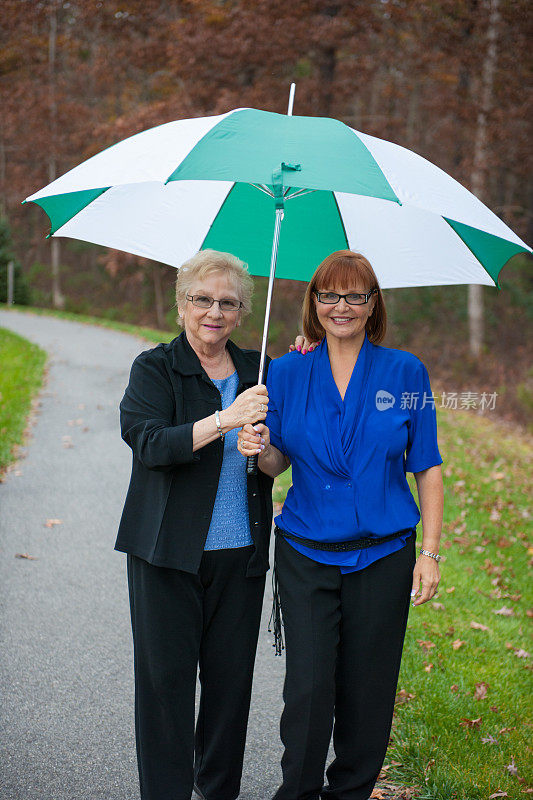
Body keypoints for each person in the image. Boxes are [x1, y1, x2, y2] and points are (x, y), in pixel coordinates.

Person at [238, 250, 444, 800]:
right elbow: (275, 463)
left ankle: (350, 791)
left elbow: (425, 465)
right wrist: (256, 445)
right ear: (314, 303)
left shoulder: (405, 372)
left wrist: (430, 552)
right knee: (307, 688)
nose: (341, 307)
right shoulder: (284, 371)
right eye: (329, 295)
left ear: (373, 304)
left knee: (368, 689)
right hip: (306, 551)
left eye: (356, 295)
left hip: (385, 553)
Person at [115, 249, 273, 800]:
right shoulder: (155, 368)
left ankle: (218, 790)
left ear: (242, 312)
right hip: (166, 554)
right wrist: (225, 420)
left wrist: (264, 444)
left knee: (231, 691)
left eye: (228, 302)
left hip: (242, 555)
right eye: (202, 299)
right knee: (166, 689)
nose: (214, 311)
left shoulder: (260, 372)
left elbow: (278, 462)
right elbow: (150, 444)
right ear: (181, 304)